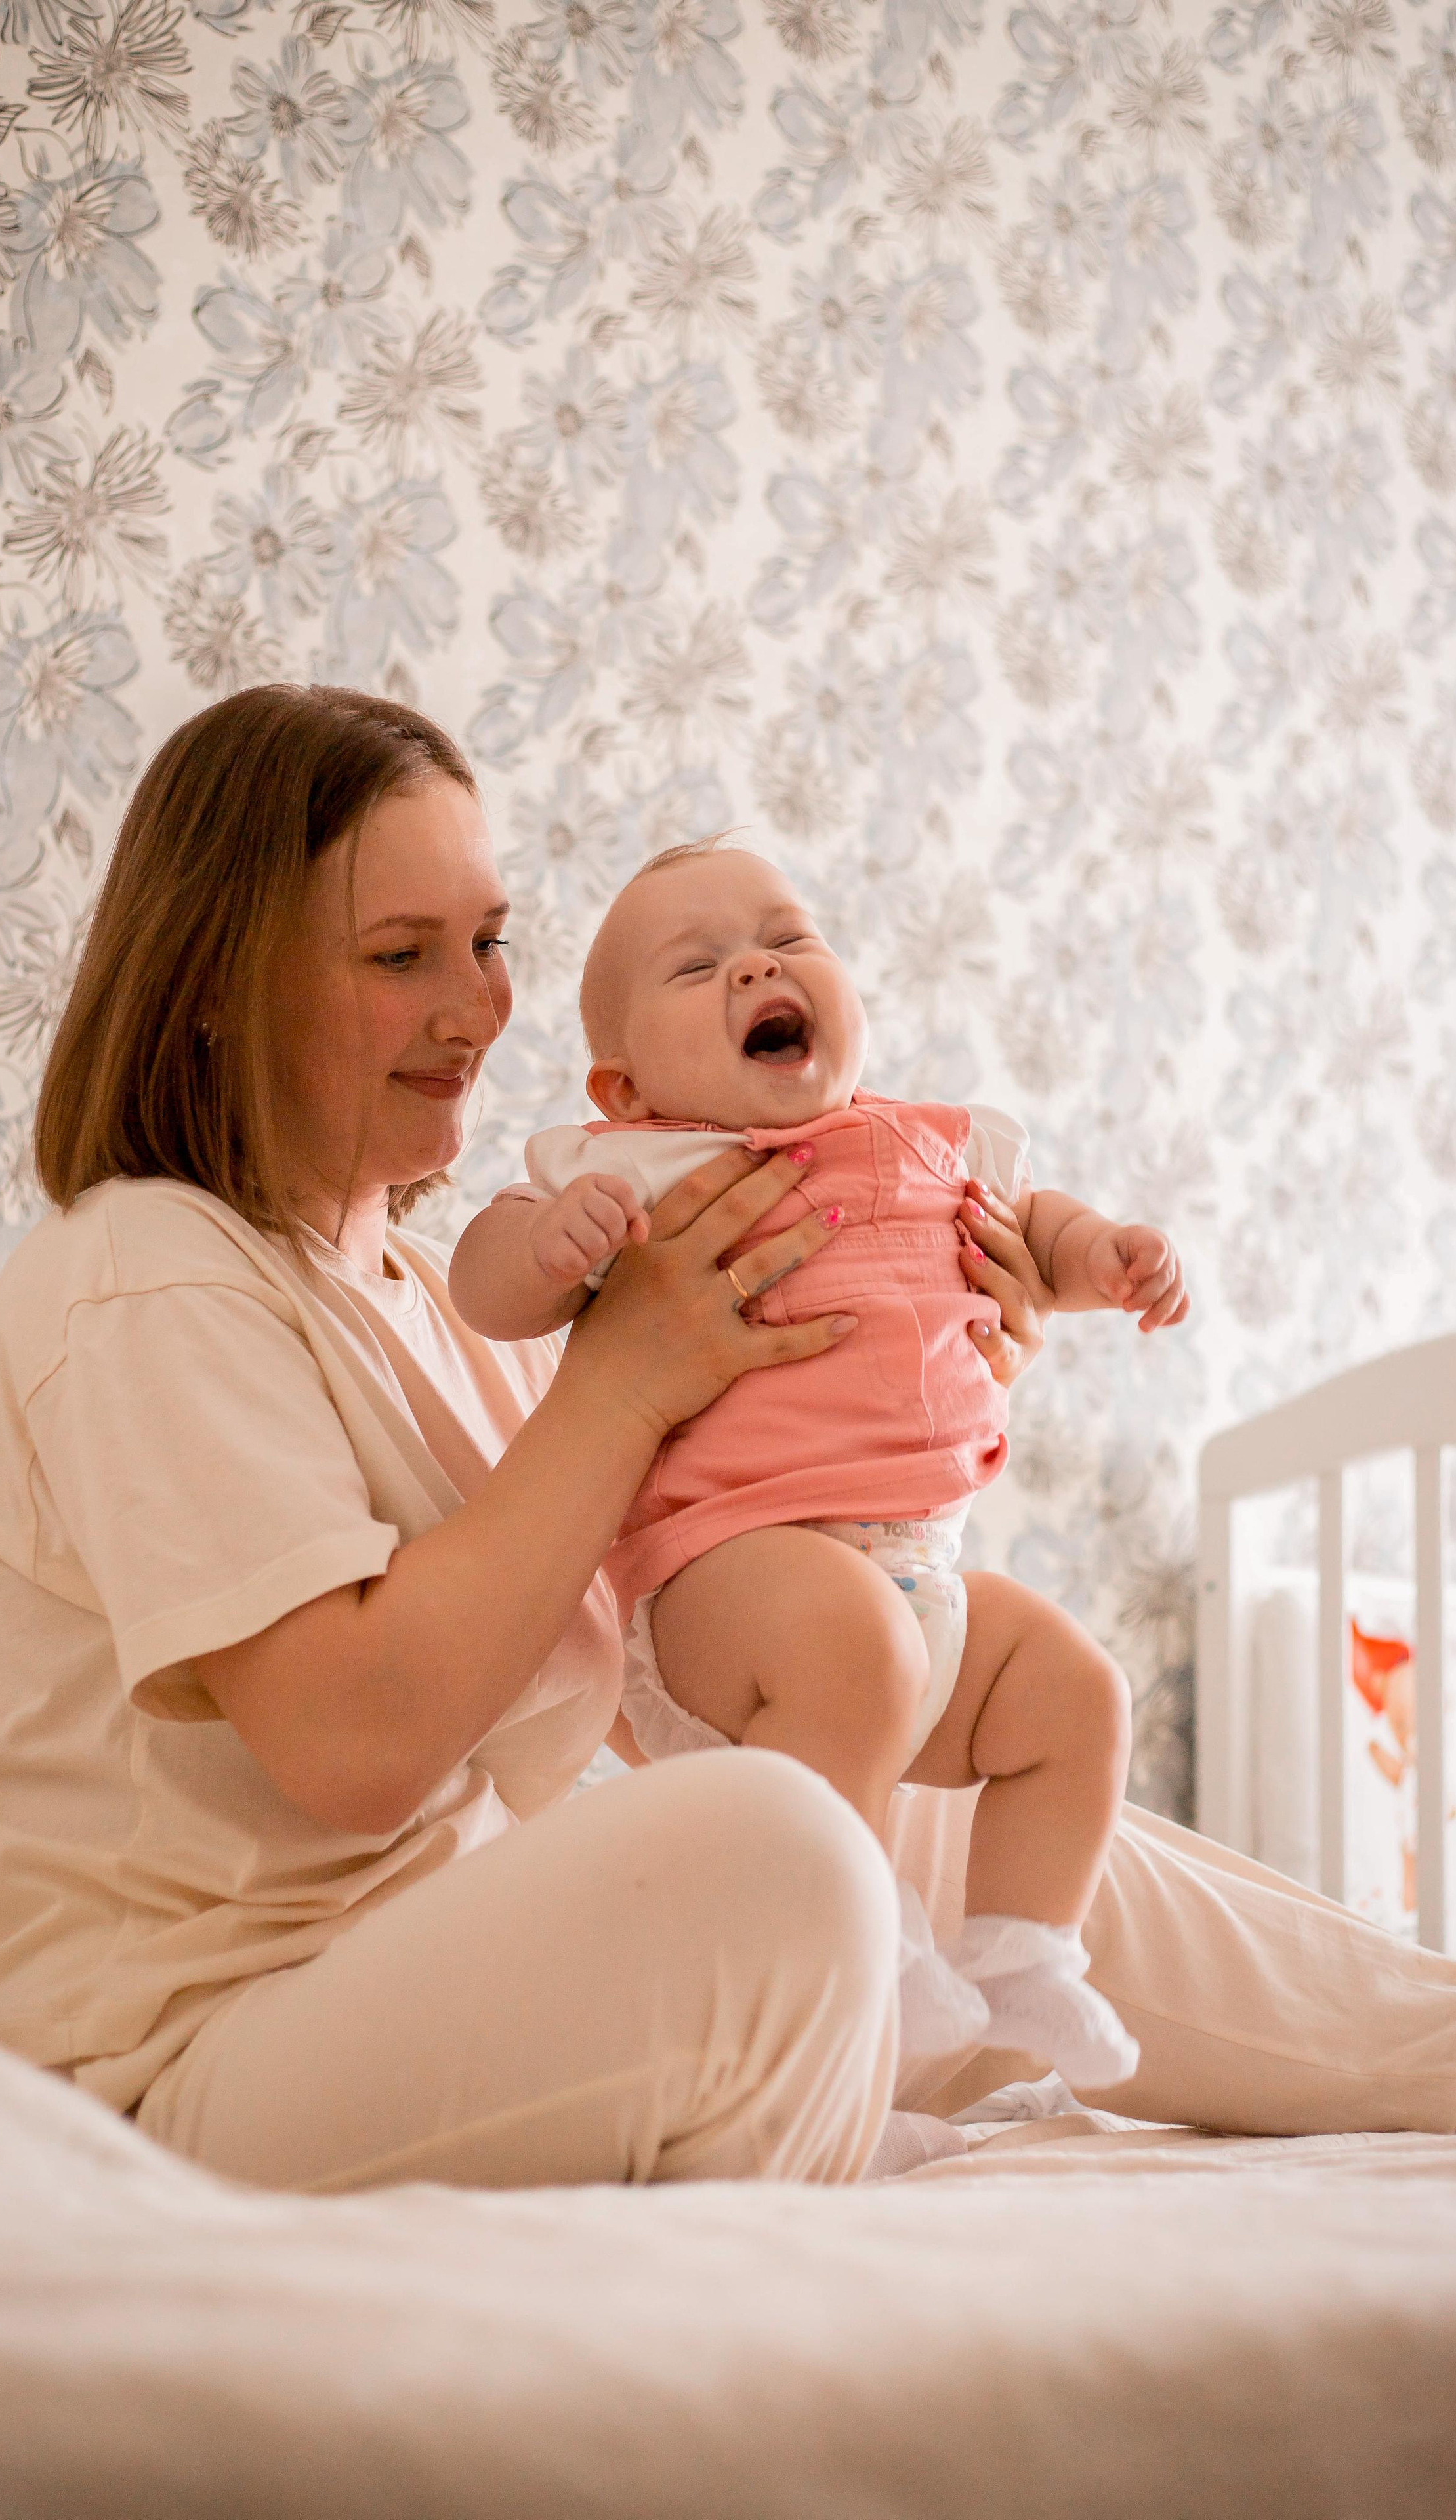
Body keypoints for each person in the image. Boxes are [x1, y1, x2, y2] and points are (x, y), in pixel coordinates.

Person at [0, 685, 1456, 2199]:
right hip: (171, 2068)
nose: (476, 1007)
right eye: (400, 954)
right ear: (219, 989)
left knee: (1000, 1831)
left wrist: (898, 1371)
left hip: (431, 1973)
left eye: (487, 941)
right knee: (782, 1852)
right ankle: (833, 2116)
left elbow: (680, 1678)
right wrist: (623, 1388)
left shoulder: (428, 1301)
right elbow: (357, 1747)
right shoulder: (146, 1271)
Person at [448, 839, 1187, 2084]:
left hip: (921, 1575)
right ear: (625, 1088)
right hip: (729, 1583)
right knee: (857, 1651)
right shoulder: (641, 1163)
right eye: (697, 968)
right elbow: (487, 1281)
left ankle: (1022, 1960)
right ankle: (858, 1946)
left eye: (787, 941)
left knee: (1078, 1691)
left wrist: (1104, 1254)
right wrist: (548, 1245)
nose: (756, 969)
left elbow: (1033, 1230)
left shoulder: (931, 1141)